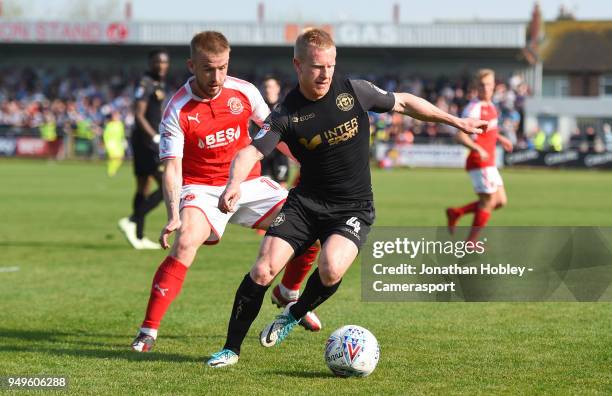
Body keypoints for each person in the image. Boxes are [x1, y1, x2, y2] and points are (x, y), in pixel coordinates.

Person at [207, 28, 486, 368]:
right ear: (298, 65)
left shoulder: (353, 90)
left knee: (331, 269)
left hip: (352, 207)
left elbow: (405, 102)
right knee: (264, 270)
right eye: (316, 67)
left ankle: (294, 313)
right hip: (305, 204)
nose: (325, 74)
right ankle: (230, 350)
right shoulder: (285, 113)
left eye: (330, 65)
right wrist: (234, 183)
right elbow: (251, 151)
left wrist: (454, 120)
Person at [130, 31, 321, 354]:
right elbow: (173, 167)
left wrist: (310, 159)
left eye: (222, 67)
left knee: (312, 227)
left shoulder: (244, 92)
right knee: (186, 242)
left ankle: (289, 292)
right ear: (192, 65)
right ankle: (148, 330)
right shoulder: (177, 108)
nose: (216, 76)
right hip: (201, 189)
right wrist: (173, 215)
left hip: (248, 184)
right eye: (207, 69)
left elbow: (275, 133)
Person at [446, 69, 514, 242]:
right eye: (482, 85)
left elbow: (487, 129)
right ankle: (471, 242)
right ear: (477, 86)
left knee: (500, 201)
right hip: (479, 161)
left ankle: (456, 212)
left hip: (489, 161)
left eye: (489, 84)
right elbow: (460, 135)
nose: (486, 88)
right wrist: (478, 149)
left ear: (494, 86)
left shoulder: (491, 106)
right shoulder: (473, 108)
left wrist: (501, 138)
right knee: (488, 202)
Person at [118, 49, 170, 250]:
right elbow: (139, 115)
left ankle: (138, 236)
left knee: (143, 186)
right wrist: (155, 137)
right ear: (150, 63)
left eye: (165, 62)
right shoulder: (145, 83)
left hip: (145, 141)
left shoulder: (157, 83)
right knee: (167, 185)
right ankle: (132, 220)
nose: (162, 65)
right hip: (146, 142)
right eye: (158, 62)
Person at [103, 110, 126, 176]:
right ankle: (110, 171)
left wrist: (123, 140)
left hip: (118, 144)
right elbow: (106, 135)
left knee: (120, 158)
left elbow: (122, 134)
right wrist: (105, 143)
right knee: (113, 157)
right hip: (111, 144)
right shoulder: (109, 125)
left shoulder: (120, 124)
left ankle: (114, 170)